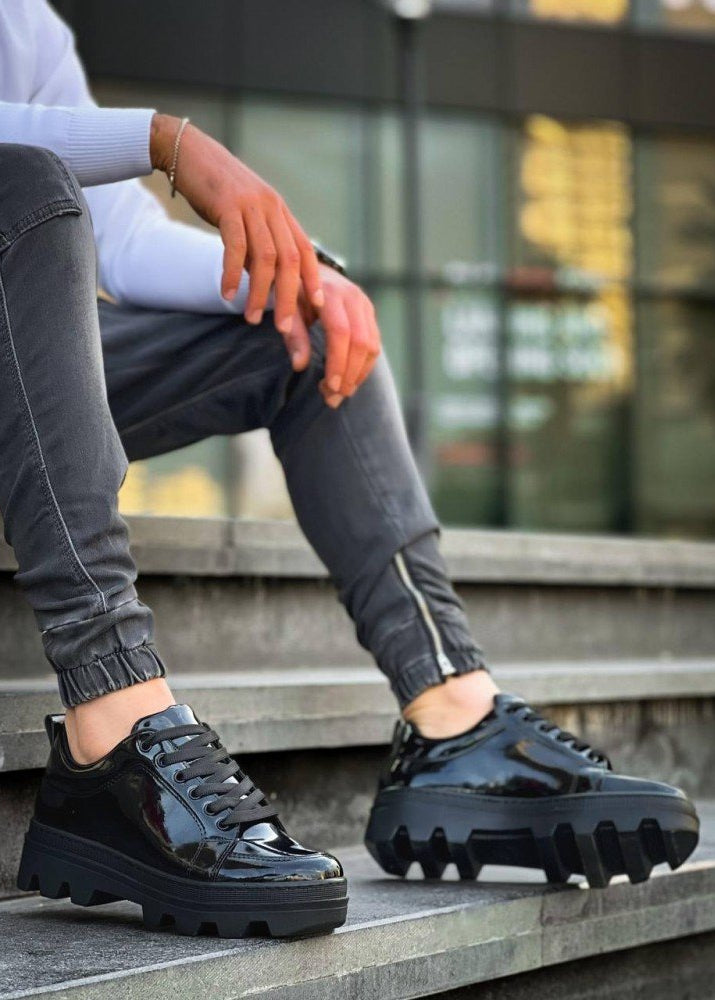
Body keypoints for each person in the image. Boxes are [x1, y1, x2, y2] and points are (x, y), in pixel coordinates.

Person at [2, 1, 699, 940]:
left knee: (312, 328)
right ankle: (112, 723)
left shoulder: (25, 23)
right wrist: (168, 141)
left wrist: (306, 274)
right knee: (22, 179)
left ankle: (452, 716)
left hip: (27, 380)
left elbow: (120, 246)